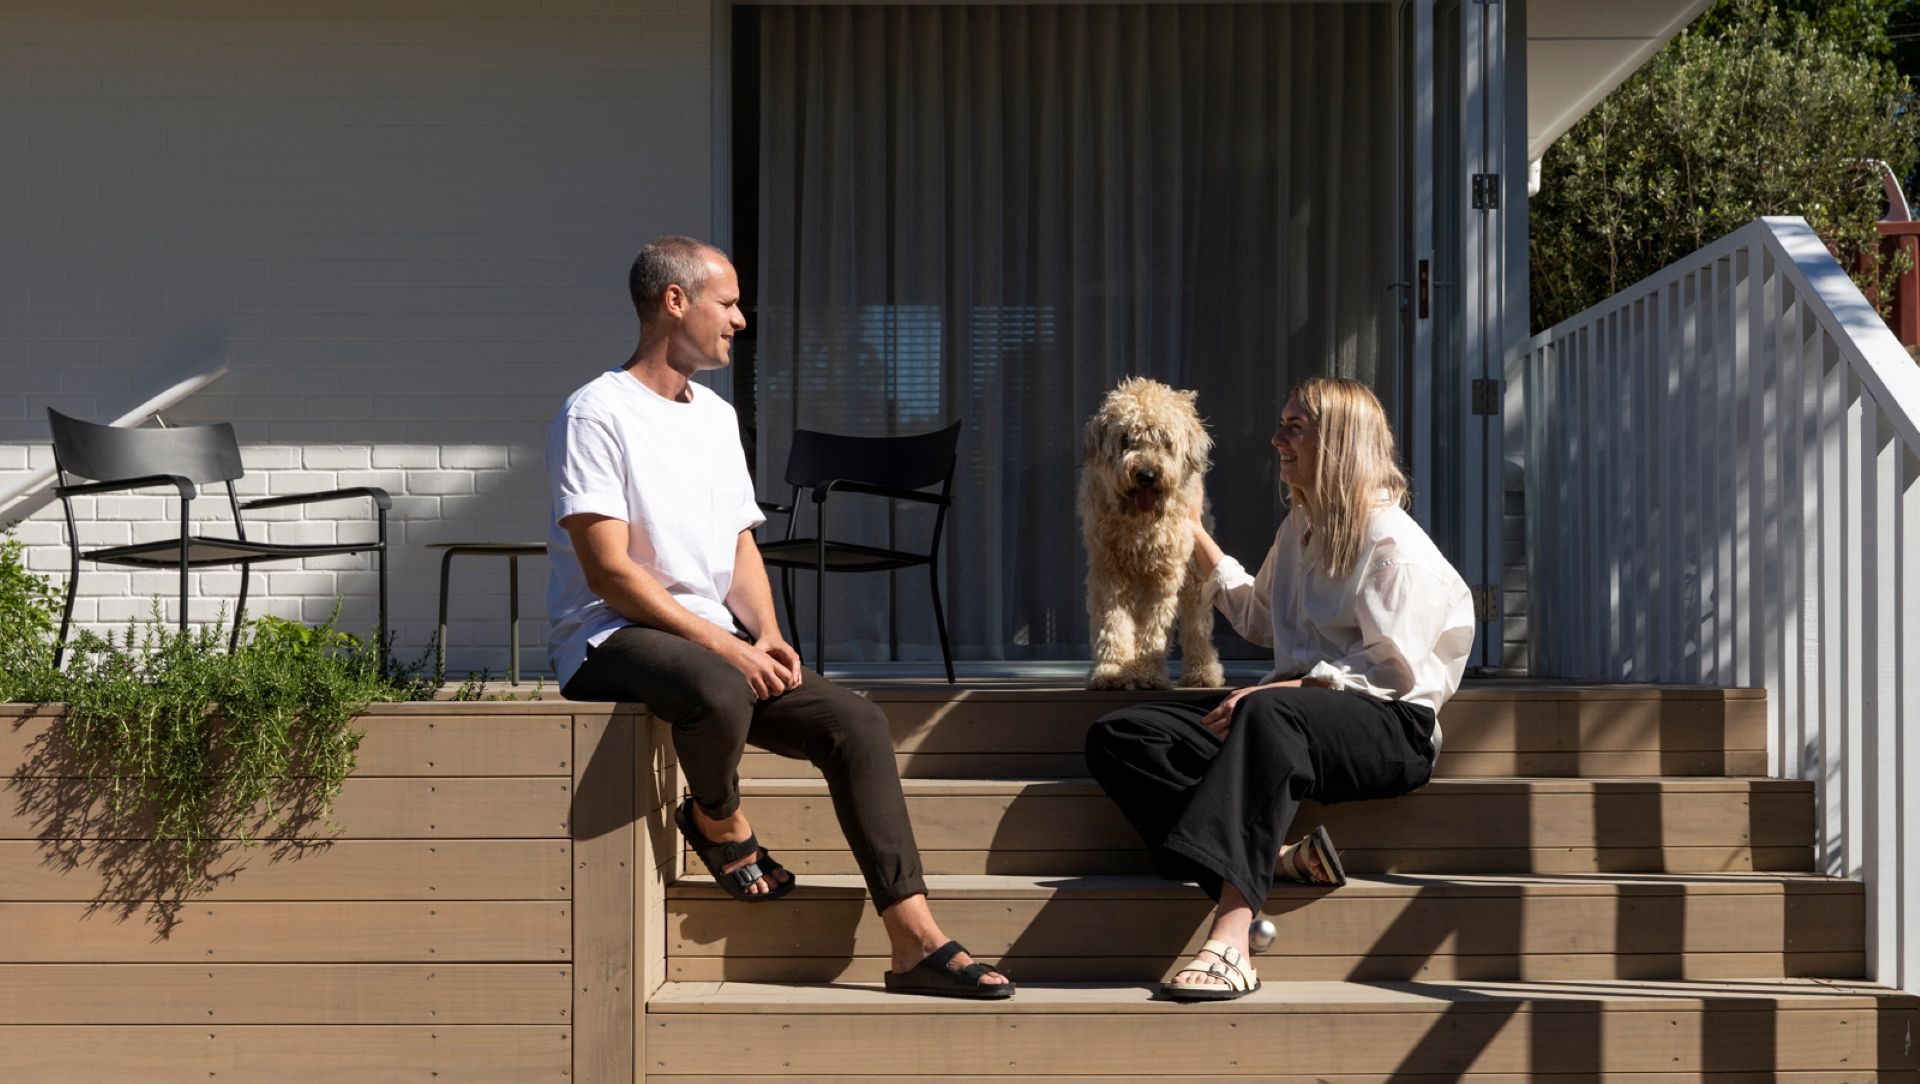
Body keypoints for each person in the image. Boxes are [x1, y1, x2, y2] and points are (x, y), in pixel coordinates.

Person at [547, 236, 1012, 999]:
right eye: (727, 303)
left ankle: (913, 940)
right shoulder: (596, 413)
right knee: (721, 688)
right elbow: (610, 571)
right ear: (675, 302)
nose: (739, 321)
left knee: (855, 723)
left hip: (704, 641)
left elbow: (738, 543)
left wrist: (764, 634)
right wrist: (730, 654)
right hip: (610, 636)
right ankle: (718, 819)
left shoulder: (716, 417)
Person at [1084, 376, 1474, 1002]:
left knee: (1270, 714)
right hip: (1292, 715)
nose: (1276, 439)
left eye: (1295, 427)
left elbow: (1392, 676)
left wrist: (1275, 693)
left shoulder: (1394, 546)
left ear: (1339, 441)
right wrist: (1193, 531)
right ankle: (1271, 854)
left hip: (1391, 728)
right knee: (1122, 736)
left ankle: (1233, 941)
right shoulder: (1301, 528)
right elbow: (1260, 617)